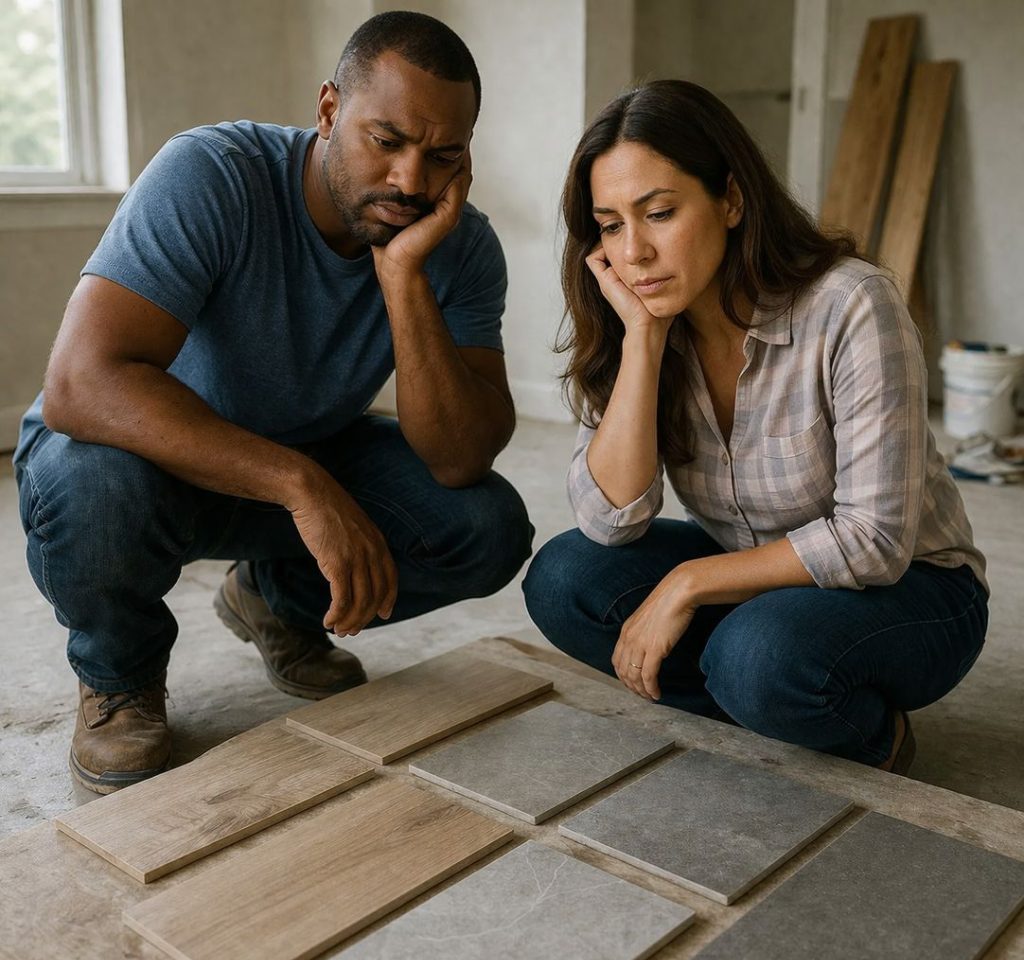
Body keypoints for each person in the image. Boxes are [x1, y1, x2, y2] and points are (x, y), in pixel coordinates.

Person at [13, 11, 532, 794]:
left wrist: (402, 277)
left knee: (485, 525)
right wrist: (301, 484)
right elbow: (81, 383)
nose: (412, 181)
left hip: (300, 446)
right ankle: (118, 677)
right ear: (328, 111)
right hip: (142, 459)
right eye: (385, 141)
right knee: (90, 482)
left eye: (443, 155)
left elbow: (458, 458)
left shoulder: (458, 244)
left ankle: (271, 598)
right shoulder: (212, 172)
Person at [522, 80, 988, 771]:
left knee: (759, 655)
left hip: (911, 589)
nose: (635, 252)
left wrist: (688, 583)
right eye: (612, 226)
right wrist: (644, 343)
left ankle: (866, 732)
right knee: (563, 577)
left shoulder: (852, 304)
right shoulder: (641, 318)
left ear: (731, 200)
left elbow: (875, 541)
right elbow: (610, 520)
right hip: (759, 585)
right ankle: (758, 699)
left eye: (658, 212)